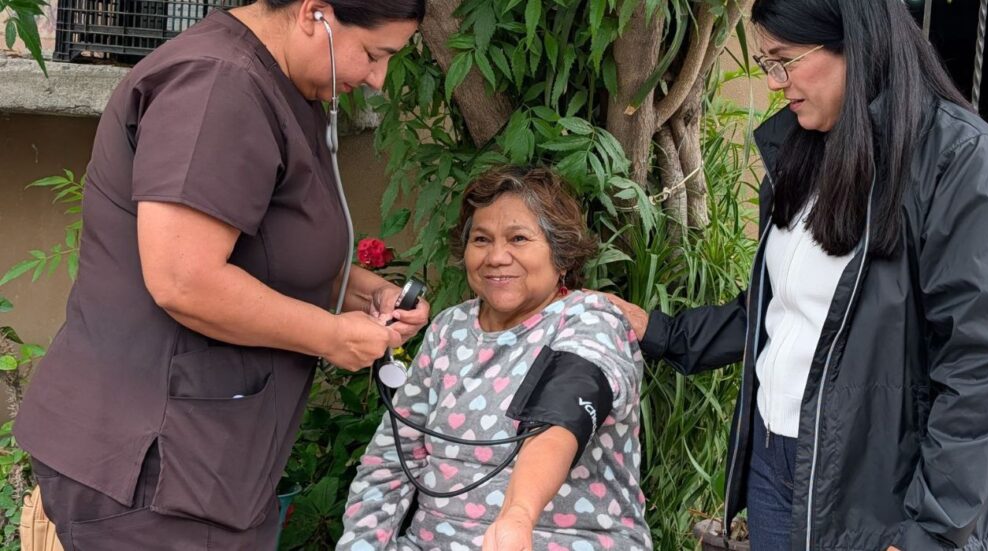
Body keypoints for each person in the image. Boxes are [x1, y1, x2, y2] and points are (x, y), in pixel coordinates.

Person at [606, 1, 988, 550]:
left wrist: (932, 529)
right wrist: (657, 331)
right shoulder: (800, 151)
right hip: (779, 463)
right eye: (766, 65)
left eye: (784, 61)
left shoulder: (961, 159)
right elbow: (780, 312)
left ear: (856, 44)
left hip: (885, 491)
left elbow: (983, 366)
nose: (776, 83)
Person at [12, 0, 428, 548]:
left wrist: (355, 289)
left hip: (209, 465)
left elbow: (261, 241)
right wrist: (330, 335)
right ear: (315, 14)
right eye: (374, 55)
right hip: (151, 467)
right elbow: (184, 279)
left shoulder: (281, 83)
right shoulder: (218, 86)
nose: (376, 79)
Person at [338, 166, 652, 551]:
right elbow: (389, 462)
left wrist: (518, 515)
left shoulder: (590, 319)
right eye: (482, 239)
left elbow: (566, 413)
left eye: (518, 238)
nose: (496, 257)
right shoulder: (449, 329)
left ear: (562, 255)